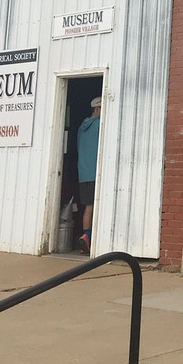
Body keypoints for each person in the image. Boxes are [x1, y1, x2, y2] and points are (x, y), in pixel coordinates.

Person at [76, 96, 101, 254]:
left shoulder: (81, 127)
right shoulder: (100, 124)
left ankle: (86, 237)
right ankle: (89, 237)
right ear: (97, 109)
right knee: (96, 206)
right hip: (95, 172)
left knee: (88, 207)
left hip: (83, 172)